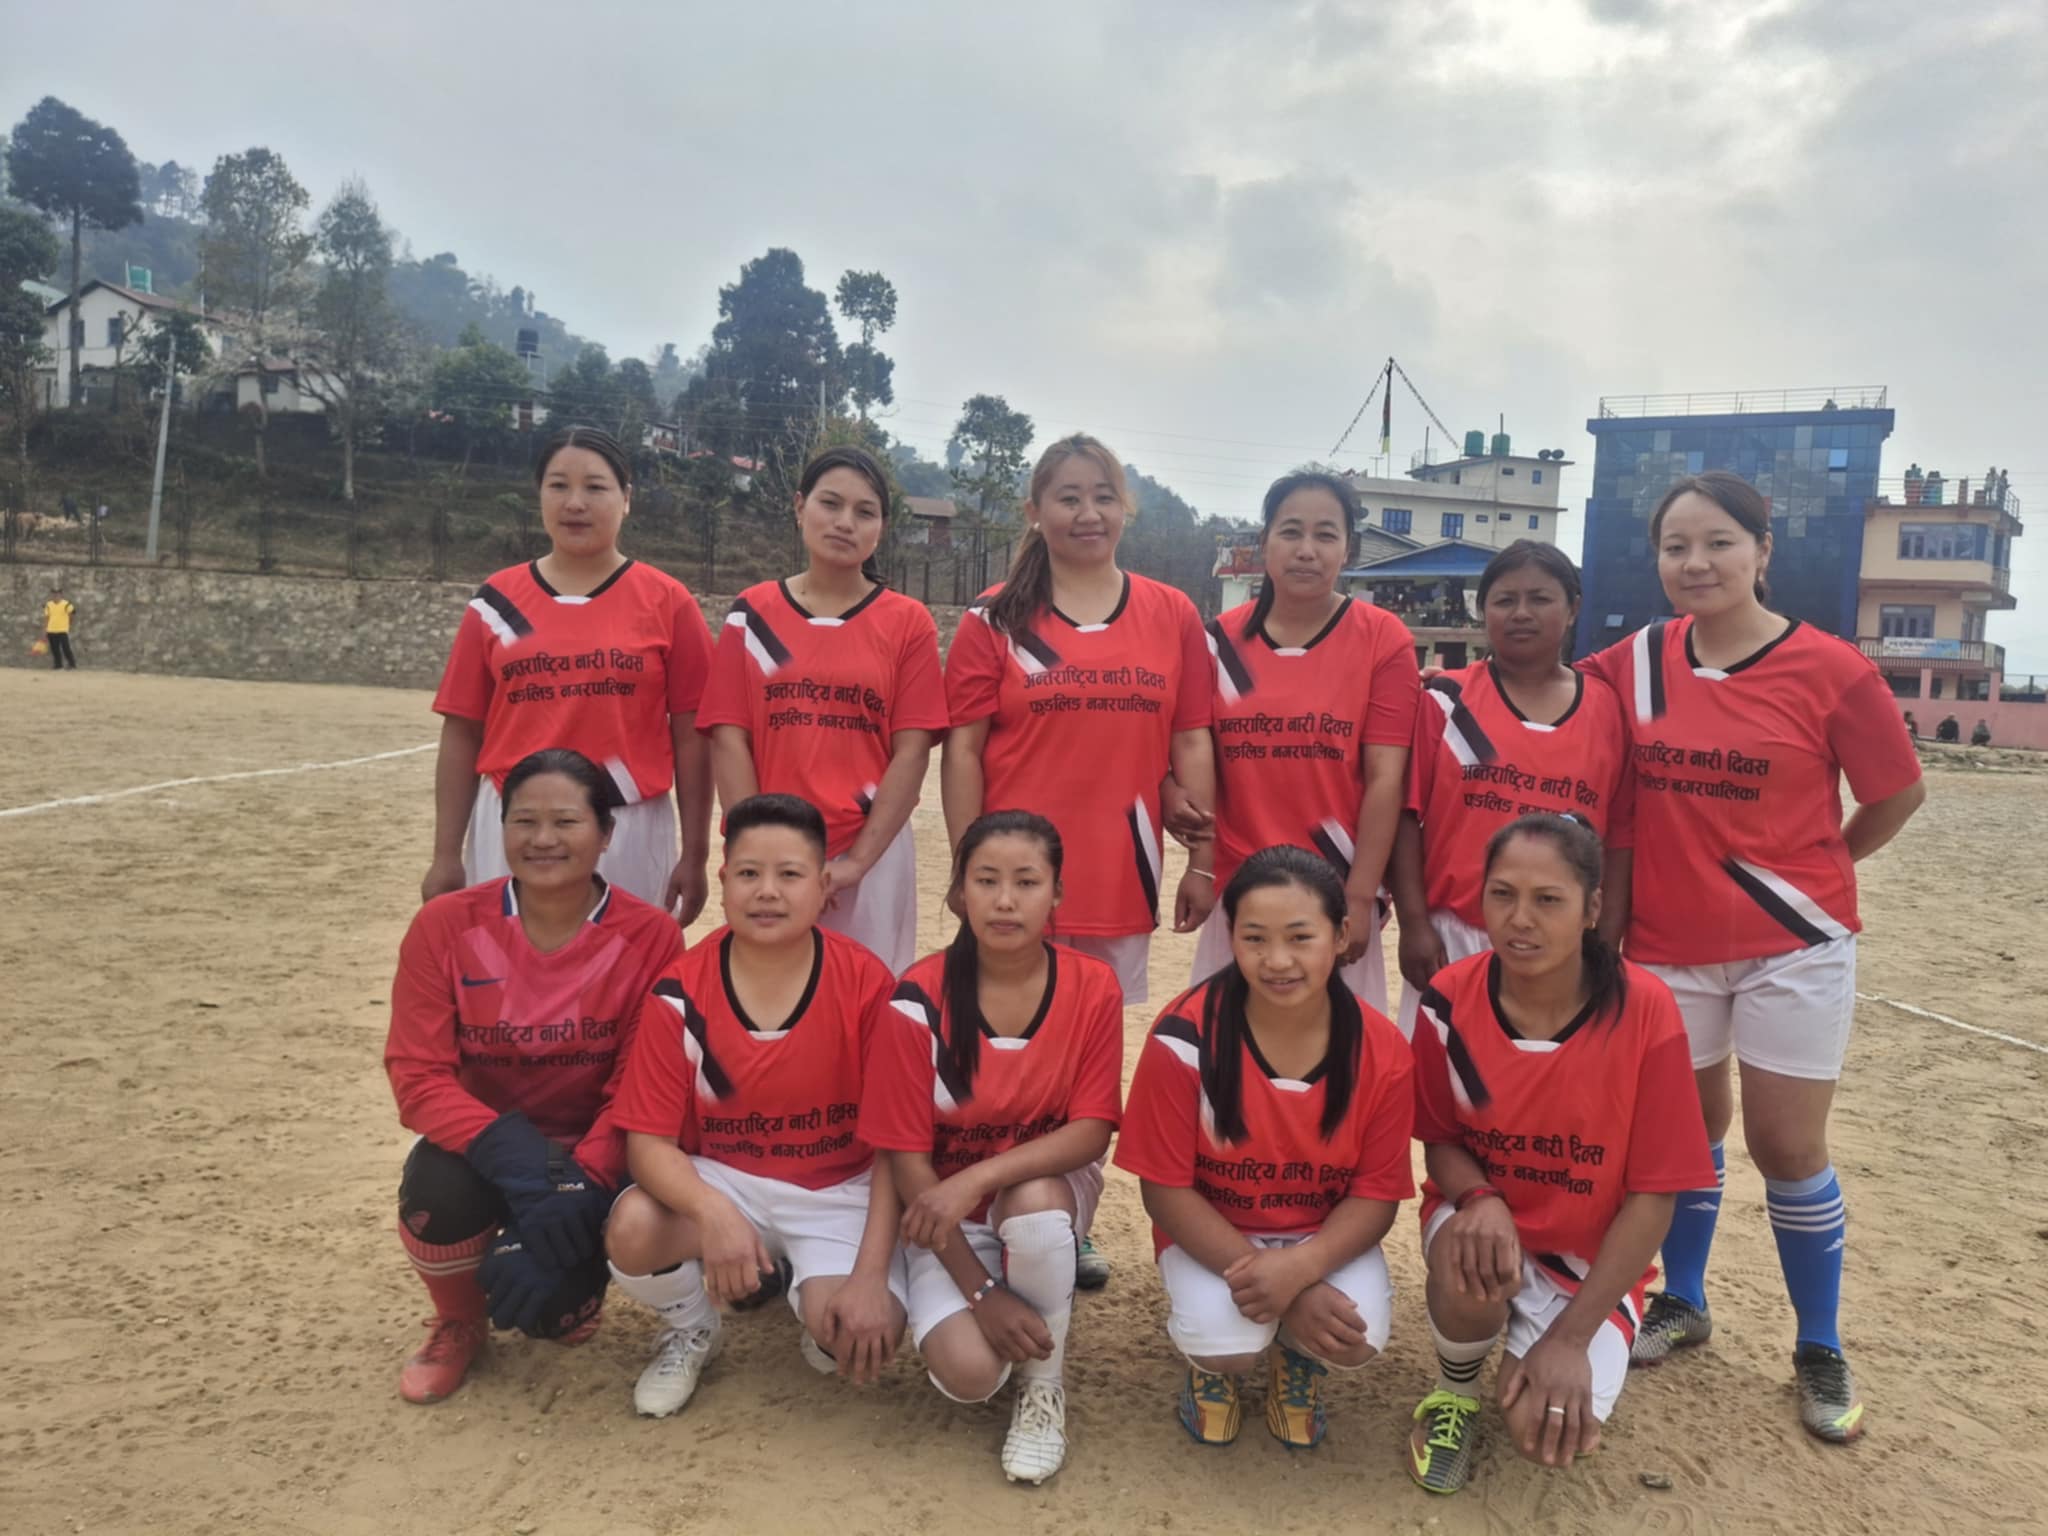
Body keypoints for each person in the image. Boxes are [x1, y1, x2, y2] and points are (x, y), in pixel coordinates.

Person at [1579, 471, 1924, 1443]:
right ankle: (1683, 1300)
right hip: (1665, 944)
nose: (1695, 563)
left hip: (1792, 946)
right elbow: (1543, 704)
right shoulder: (1634, 662)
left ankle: (1817, 1344)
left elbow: (1896, 793)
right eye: (1675, 546)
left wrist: (1822, 867)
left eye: (1718, 542)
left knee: (1785, 1147)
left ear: (1762, 552)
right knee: (1687, 1138)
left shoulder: (1829, 670)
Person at [1404, 814, 1714, 1494]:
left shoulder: (1646, 1010)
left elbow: (1655, 1195)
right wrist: (1480, 1200)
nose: (1520, 919)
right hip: (1487, 1226)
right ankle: (1455, 1391)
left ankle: (1548, 1335)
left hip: (1588, 1260)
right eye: (1502, 894)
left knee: (1541, 1436)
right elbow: (1440, 1138)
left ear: (1592, 907)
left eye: (1548, 899)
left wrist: (1572, 1338)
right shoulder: (1448, 1000)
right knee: (1468, 1261)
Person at [383, 748, 686, 1404]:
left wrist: (579, 1184)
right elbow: (417, 1073)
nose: (543, 839)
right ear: (501, 829)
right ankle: (459, 1320)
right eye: (524, 821)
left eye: (566, 821)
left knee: (553, 1309)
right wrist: (511, 1151)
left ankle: (576, 1277)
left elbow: (641, 1082)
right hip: (491, 1145)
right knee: (436, 1195)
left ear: (606, 834)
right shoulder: (444, 926)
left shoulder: (653, 936)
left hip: (598, 1149)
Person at [604, 793, 906, 1419]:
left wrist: (871, 1275)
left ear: (823, 886)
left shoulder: (867, 984)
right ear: (723, 881)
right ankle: (693, 1326)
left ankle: (803, 1285)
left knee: (852, 1337)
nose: (767, 891)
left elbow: (895, 1145)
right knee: (631, 1230)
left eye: (789, 874)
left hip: (837, 1189)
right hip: (729, 1181)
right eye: (748, 873)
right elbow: (648, 1143)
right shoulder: (680, 990)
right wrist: (712, 1212)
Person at [1115, 846, 1414, 1449]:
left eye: (1300, 938)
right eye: (1254, 938)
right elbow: (1165, 1190)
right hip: (1214, 1232)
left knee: (1356, 1339)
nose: (1277, 960)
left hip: (1318, 1235)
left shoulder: (1382, 1049)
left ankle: (1294, 1357)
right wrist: (1287, 1291)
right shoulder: (1184, 1038)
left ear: (1341, 936)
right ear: (1231, 938)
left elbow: (1376, 1195)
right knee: (1225, 1346)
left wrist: (1301, 1271)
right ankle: (1210, 1372)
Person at [860, 810, 1124, 1484]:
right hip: (940, 1215)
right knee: (971, 1374)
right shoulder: (916, 998)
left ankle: (1043, 1386)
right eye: (986, 881)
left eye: (1026, 882)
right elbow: (906, 1158)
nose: (1006, 900)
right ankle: (1008, 1297)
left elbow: (1091, 1130)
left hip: (1037, 1196)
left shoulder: (1093, 986)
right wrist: (981, 1293)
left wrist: (976, 1179)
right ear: (959, 893)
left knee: (1033, 1205)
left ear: (1057, 893)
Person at [942, 432, 1216, 1009]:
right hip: (1013, 878)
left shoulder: (1173, 614)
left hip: (1121, 875)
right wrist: (967, 866)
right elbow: (962, 752)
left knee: (1094, 1038)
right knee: (1008, 1035)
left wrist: (1203, 865)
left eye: (1104, 497)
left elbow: (1190, 740)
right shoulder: (994, 618)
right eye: (1069, 499)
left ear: (1125, 508)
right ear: (1035, 512)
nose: (1089, 514)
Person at [425, 426, 715, 918]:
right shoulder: (496, 602)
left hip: (627, 826)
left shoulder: (668, 602)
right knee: (508, 963)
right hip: (514, 823)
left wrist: (696, 853)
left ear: (627, 499)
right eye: (558, 485)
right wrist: (445, 854)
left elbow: (693, 738)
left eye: (595, 487)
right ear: (539, 494)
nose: (575, 503)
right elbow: (462, 731)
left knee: (624, 966)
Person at [698, 446, 947, 974]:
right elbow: (730, 737)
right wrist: (754, 850)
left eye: (864, 511)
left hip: (869, 857)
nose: (844, 522)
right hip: (773, 856)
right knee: (769, 995)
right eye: (830, 504)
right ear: (799, 506)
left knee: (869, 997)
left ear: (882, 527)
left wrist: (856, 864)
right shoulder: (752, 615)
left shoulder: (908, 623)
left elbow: (912, 752)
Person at [1181, 471, 1417, 1014]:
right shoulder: (1217, 643)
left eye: (1325, 535)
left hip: (1335, 890)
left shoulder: (1383, 639)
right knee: (1228, 1047)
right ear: (1264, 541)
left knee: (1336, 1052)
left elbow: (1386, 777)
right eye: (1290, 532)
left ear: (1348, 548)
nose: (1306, 550)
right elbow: (1189, 754)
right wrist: (1199, 864)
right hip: (1241, 891)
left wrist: (1360, 895)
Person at [1390, 541, 1631, 1038]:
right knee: (1439, 1076)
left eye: (1540, 598)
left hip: (1563, 942)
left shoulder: (1609, 709)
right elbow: (1404, 818)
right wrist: (1413, 923)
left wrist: (1606, 943)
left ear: (1573, 608)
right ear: (1484, 610)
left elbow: (1620, 841)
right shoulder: (1446, 699)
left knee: (1541, 1078)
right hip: (1453, 936)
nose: (1521, 613)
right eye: (1504, 600)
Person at [41, 586, 77, 670]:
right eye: (54, 594)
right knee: (54, 649)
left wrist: (69, 623)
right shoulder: (48, 605)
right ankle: (58, 665)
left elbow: (72, 614)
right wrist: (45, 628)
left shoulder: (66, 604)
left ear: (61, 594)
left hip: (62, 630)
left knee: (66, 647)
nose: (56, 595)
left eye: (57, 594)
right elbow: (47, 617)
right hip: (51, 629)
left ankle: (72, 664)